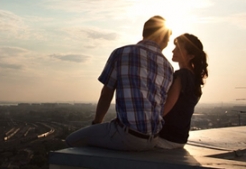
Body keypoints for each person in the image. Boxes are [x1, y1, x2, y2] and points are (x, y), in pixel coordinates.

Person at [66, 15, 173, 151]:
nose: (166, 44)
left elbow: (106, 93)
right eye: (167, 40)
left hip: (128, 137)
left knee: (71, 141)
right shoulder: (168, 67)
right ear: (159, 37)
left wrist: (97, 123)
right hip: (154, 139)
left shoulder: (121, 53)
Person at [155, 33, 208, 149]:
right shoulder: (194, 79)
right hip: (179, 139)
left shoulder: (181, 76)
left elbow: (164, 110)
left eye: (178, 49)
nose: (173, 51)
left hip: (165, 138)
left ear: (191, 56)